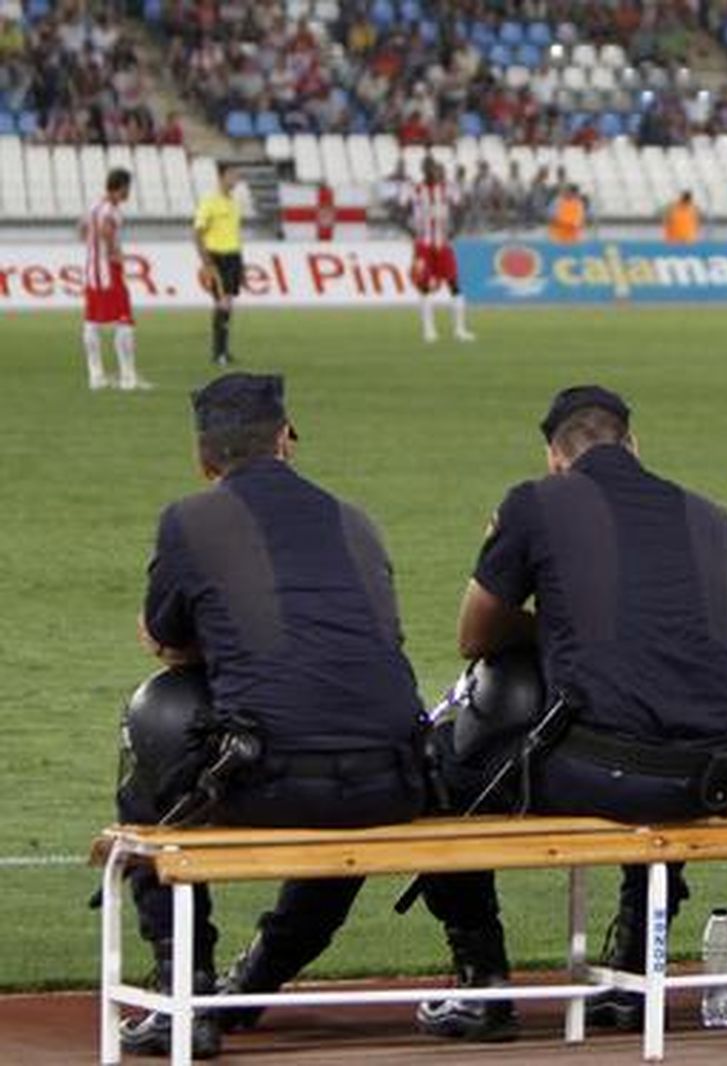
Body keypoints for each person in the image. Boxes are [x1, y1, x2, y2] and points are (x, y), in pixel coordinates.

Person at [415, 385, 727, 1041]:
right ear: (633, 443)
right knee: (663, 716)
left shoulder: (534, 503)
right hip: (710, 772)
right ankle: (633, 964)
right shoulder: (709, 515)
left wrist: (558, 624)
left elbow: (475, 634)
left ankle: (483, 983)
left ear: (554, 457)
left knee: (440, 764)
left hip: (601, 768)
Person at [118, 373, 426, 1058]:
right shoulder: (355, 519)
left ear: (203, 458)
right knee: (341, 767)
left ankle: (183, 995)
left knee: (157, 727)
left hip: (270, 779)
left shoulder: (190, 520)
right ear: (287, 440)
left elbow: (166, 640)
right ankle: (256, 979)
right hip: (392, 782)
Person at [80, 167, 150, 391]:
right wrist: (113, 253)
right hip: (109, 271)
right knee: (124, 320)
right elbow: (105, 230)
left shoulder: (93, 206)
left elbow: (82, 230)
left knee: (91, 322)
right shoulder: (111, 210)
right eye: (128, 187)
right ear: (121, 187)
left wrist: (95, 249)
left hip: (91, 270)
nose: (129, 192)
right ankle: (128, 378)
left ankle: (96, 377)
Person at [401, 157, 474, 344]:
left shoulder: (447, 188)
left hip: (443, 244)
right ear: (423, 170)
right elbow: (399, 209)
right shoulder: (415, 189)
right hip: (423, 246)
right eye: (428, 168)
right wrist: (408, 230)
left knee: (454, 284)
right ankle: (429, 331)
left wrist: (457, 229)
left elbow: (461, 208)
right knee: (424, 286)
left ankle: (460, 330)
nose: (432, 172)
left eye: (434, 168)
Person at [193, 164, 245, 367]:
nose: (236, 179)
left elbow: (234, 234)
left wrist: (242, 260)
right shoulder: (210, 202)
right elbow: (197, 232)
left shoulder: (234, 203)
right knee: (222, 303)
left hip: (233, 256)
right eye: (233, 175)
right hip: (217, 257)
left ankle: (223, 350)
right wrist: (205, 260)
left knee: (228, 304)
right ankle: (218, 353)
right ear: (222, 177)